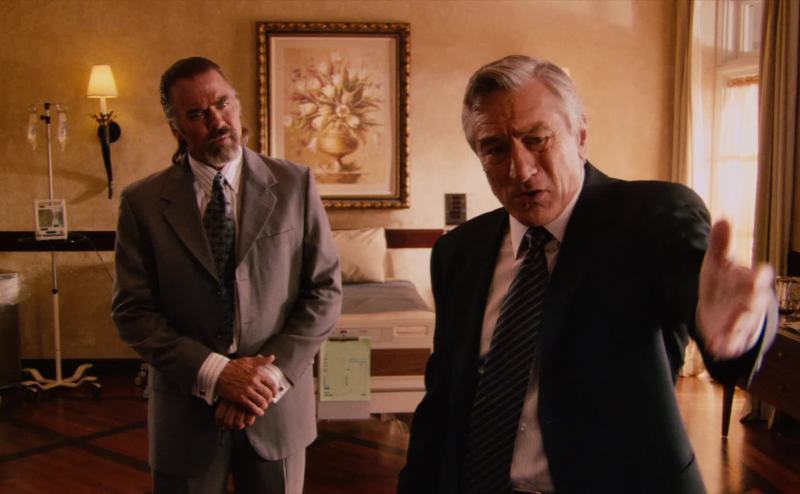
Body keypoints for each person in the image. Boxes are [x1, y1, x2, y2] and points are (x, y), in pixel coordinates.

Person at [398, 55, 776, 494]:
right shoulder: (459, 251)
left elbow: (697, 292)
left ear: (579, 137)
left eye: (537, 139)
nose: (521, 170)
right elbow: (443, 402)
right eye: (496, 149)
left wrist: (735, 329)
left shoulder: (653, 217)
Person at [112, 57, 342, 494]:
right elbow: (133, 312)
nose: (217, 121)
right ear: (176, 127)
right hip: (185, 414)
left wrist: (264, 380)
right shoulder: (142, 203)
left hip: (275, 409)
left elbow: (325, 292)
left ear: (236, 105)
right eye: (197, 113)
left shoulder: (295, 184)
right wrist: (218, 374)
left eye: (222, 104)